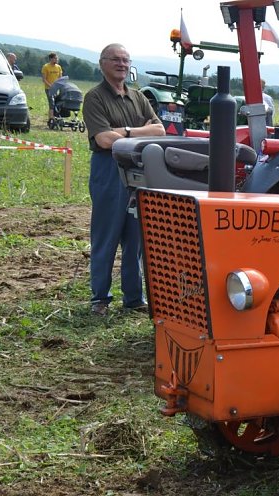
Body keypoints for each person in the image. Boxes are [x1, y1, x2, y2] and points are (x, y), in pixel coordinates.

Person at [82, 43, 165, 316]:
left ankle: (133, 299)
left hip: (139, 171)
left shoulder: (139, 97)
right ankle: (100, 300)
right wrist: (139, 136)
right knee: (106, 235)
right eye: (115, 59)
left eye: (125, 60)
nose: (121, 64)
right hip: (109, 171)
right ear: (103, 63)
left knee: (136, 238)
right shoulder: (94, 98)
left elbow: (160, 130)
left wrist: (126, 131)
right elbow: (104, 140)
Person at [42, 52, 64, 120]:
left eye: (57, 58)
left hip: (56, 89)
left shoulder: (59, 67)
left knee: (56, 102)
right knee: (51, 102)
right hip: (49, 88)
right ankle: (51, 118)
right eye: (55, 58)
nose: (57, 59)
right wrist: (50, 85)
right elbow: (44, 79)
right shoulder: (46, 67)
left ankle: (54, 116)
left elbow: (60, 78)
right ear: (51, 59)